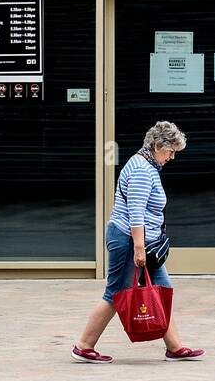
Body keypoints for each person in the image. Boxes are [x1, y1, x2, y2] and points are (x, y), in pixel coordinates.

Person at [73, 120, 205, 362]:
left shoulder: (145, 164)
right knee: (115, 293)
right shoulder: (143, 170)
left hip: (139, 240)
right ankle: (84, 345)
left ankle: (175, 347)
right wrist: (139, 248)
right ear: (157, 146)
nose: (171, 157)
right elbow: (136, 211)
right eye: (170, 151)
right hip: (128, 240)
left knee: (162, 289)